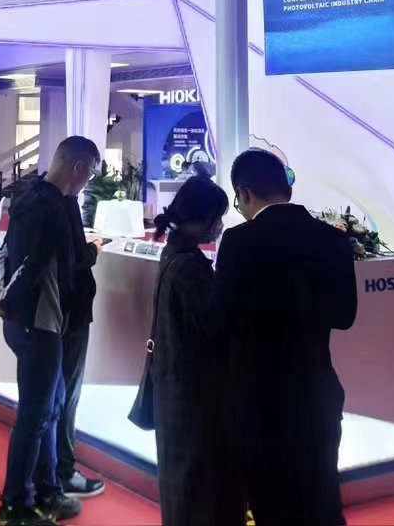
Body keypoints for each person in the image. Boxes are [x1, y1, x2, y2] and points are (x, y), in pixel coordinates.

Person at [215, 148, 357, 525]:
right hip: (317, 392)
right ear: (287, 189)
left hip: (260, 399)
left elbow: (222, 318)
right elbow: (345, 316)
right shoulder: (332, 238)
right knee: (322, 500)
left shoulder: (239, 241)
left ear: (244, 193)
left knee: (271, 507)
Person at [0, 136, 99, 526]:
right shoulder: (52, 208)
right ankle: (14, 506)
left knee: (50, 407)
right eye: (91, 172)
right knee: (35, 416)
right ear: (78, 168)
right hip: (38, 324)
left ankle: (48, 491)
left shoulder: (28, 196)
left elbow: (6, 252)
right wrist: (6, 299)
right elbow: (32, 265)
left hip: (32, 322)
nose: (89, 180)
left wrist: (2, 293)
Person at [149, 175, 245, 526]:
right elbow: (214, 328)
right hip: (194, 398)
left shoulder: (174, 253)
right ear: (202, 218)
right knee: (202, 492)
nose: (218, 226)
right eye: (215, 218)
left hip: (174, 390)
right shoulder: (190, 267)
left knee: (182, 490)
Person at [56, 187, 107, 501]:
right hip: (68, 313)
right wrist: (93, 250)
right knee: (65, 395)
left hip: (50, 316)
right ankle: (61, 473)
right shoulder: (62, 205)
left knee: (51, 397)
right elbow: (71, 259)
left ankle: (48, 471)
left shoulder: (35, 200)